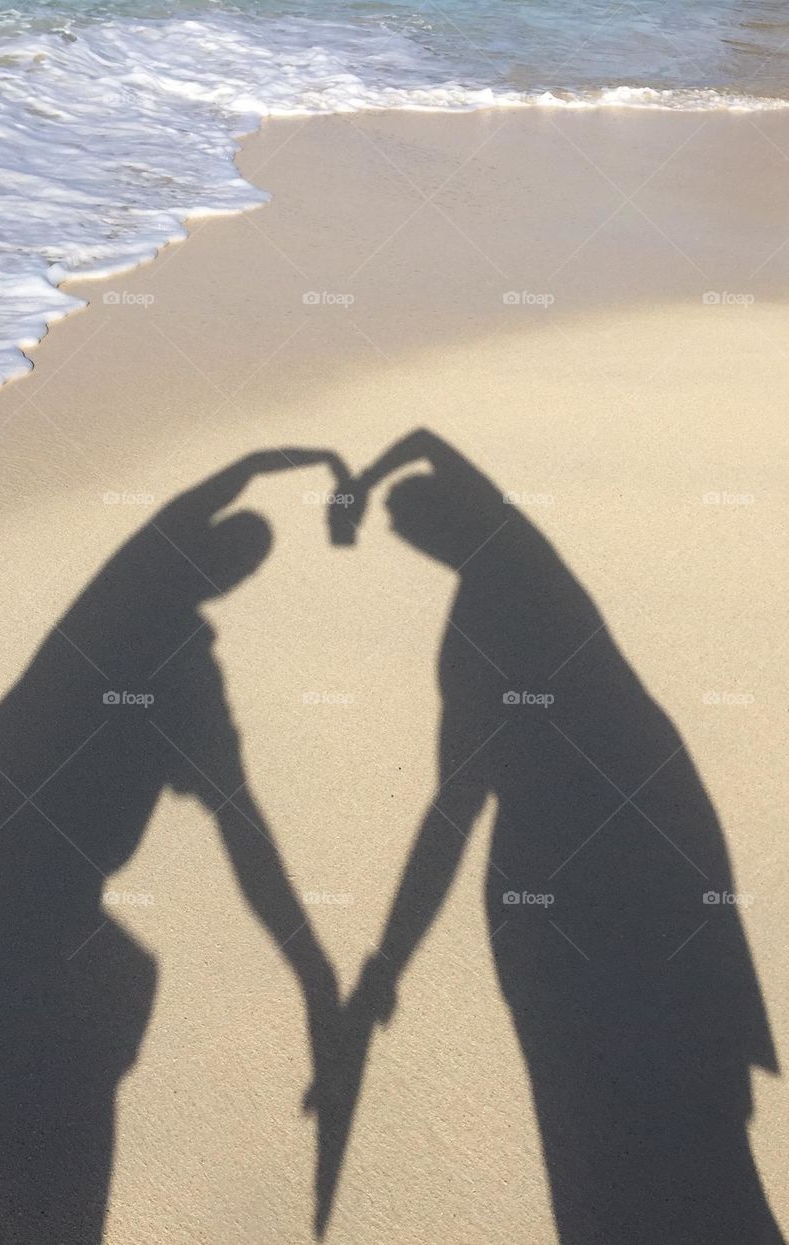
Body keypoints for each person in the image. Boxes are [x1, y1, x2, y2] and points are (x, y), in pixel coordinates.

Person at [0, 448, 349, 1244]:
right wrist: (313, 972)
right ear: (228, 579)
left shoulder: (126, 588)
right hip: (23, 917)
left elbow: (212, 482)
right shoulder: (185, 681)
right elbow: (247, 837)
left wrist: (308, 459)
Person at [333, 429, 780, 1243]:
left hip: (568, 880)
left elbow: (452, 816)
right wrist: (363, 479)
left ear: (430, 536)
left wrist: (385, 964)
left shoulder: (471, 638)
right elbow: (431, 440)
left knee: (602, 1138)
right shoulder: (522, 554)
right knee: (703, 1120)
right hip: (661, 826)